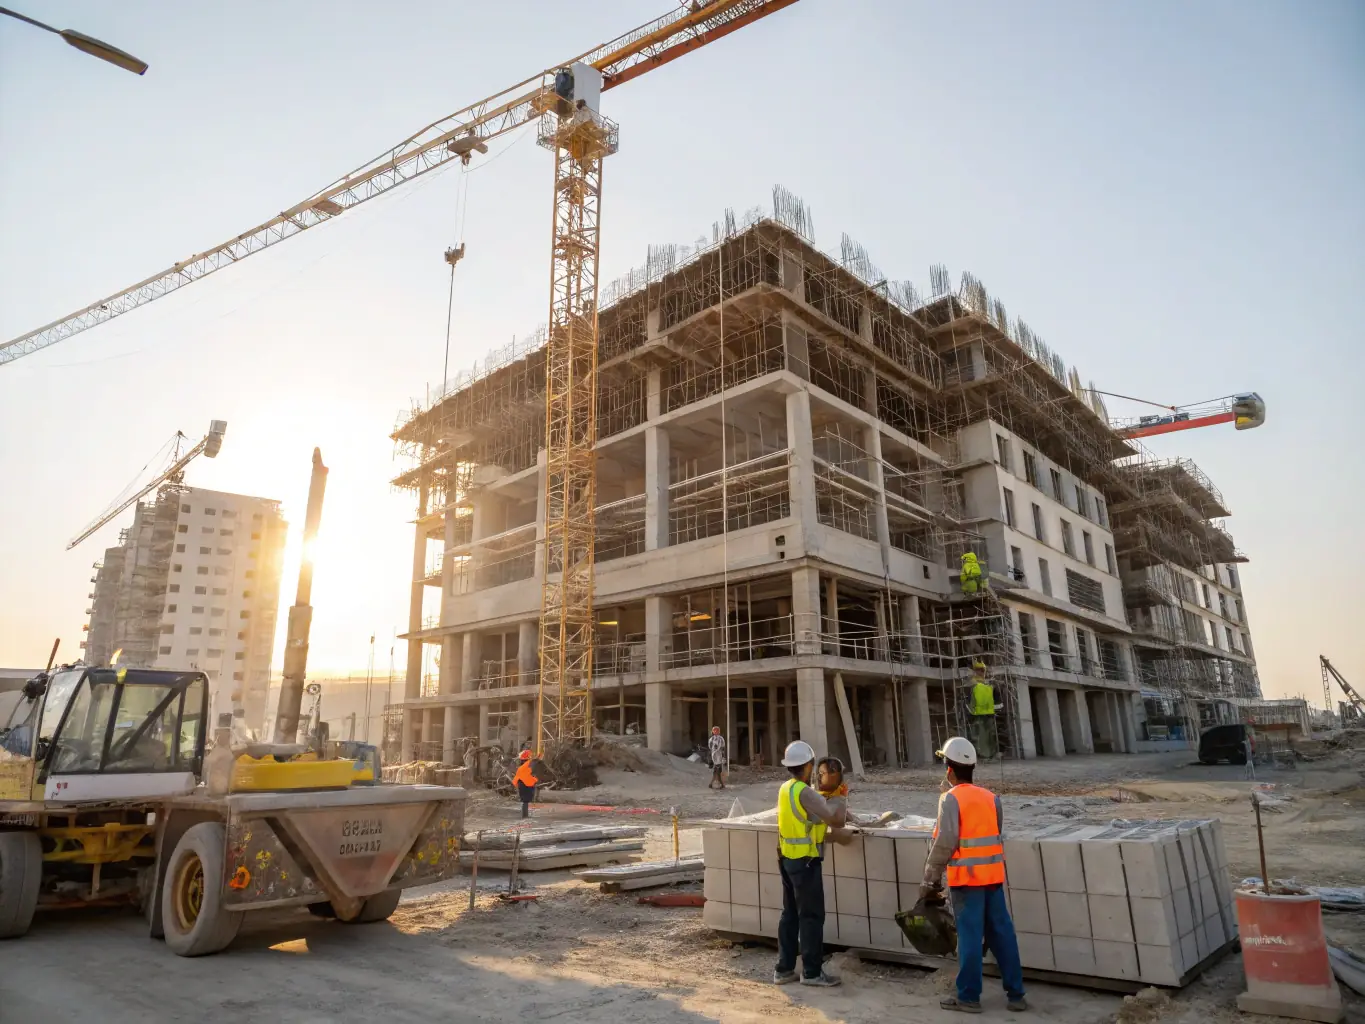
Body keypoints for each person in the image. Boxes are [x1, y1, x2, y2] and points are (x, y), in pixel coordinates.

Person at [921, 736, 1026, 1014]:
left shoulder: (950, 798)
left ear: (949, 770)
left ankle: (968, 997)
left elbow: (945, 841)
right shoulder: (992, 798)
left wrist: (930, 878)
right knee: (1003, 934)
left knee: (969, 937)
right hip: (992, 878)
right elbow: (994, 833)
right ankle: (1016, 994)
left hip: (966, 882)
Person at [773, 740, 847, 989]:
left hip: (787, 858)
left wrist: (824, 797)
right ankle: (812, 972)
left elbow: (808, 817)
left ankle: (784, 969)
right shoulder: (805, 792)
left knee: (790, 915)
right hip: (805, 862)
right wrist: (841, 797)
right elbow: (836, 820)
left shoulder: (787, 788)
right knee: (812, 917)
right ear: (807, 766)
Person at [968, 661, 998, 760]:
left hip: (989, 714)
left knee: (989, 736)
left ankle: (990, 755)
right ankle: (982, 755)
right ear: (974, 671)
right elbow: (970, 700)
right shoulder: (973, 684)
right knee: (980, 736)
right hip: (977, 714)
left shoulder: (988, 684)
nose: (980, 672)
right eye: (978, 670)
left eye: (982, 670)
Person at [513, 749, 538, 819]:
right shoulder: (527, 766)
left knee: (525, 801)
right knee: (526, 801)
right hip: (526, 785)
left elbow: (517, 778)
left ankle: (525, 815)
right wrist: (535, 780)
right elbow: (530, 776)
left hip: (522, 785)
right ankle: (525, 816)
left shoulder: (521, 767)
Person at [707, 725, 727, 790]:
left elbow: (723, 748)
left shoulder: (721, 739)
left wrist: (723, 756)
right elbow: (710, 747)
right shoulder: (711, 739)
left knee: (717, 770)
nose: (715, 731)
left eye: (717, 730)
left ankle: (716, 783)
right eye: (714, 730)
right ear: (712, 731)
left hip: (719, 756)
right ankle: (719, 783)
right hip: (714, 756)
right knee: (716, 770)